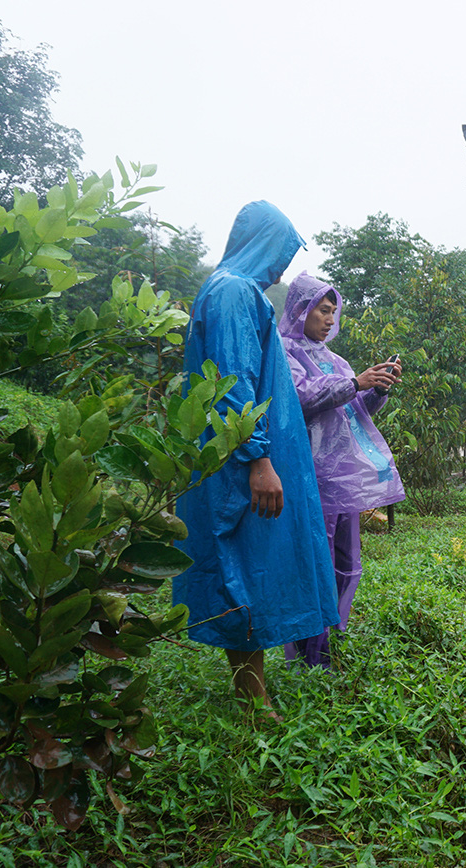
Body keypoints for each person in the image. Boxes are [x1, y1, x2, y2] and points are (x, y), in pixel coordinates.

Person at [174, 202, 338, 715]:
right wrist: (258, 461)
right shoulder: (233, 293)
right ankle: (253, 700)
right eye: (281, 254)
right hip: (242, 460)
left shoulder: (230, 291)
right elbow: (233, 381)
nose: (282, 270)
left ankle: (253, 691)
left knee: (249, 562)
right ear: (260, 243)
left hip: (244, 456)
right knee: (241, 563)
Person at [277, 271, 406, 667]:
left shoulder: (335, 361)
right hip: (307, 475)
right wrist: (355, 381)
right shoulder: (283, 352)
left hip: (342, 480)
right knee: (313, 560)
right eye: (323, 310)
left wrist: (376, 389)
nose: (330, 320)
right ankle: (305, 654)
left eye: (334, 312)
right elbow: (299, 397)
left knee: (346, 563)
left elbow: (354, 411)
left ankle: (329, 640)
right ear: (301, 309)